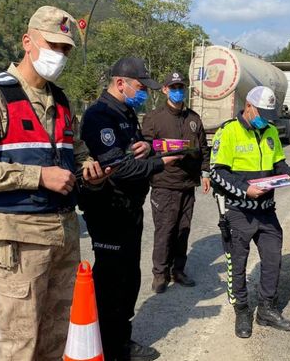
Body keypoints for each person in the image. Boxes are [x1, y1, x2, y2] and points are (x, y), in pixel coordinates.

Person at [0, 6, 110, 360]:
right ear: (28, 42)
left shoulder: (62, 101)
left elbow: (76, 153)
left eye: (66, 49)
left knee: (59, 336)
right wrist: (38, 176)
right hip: (18, 239)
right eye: (53, 44)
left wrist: (90, 170)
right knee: (21, 343)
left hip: (64, 233)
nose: (60, 55)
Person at [78, 57, 180, 361]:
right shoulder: (100, 115)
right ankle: (108, 346)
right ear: (120, 83)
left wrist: (147, 148)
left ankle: (120, 337)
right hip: (108, 208)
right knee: (112, 279)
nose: (144, 94)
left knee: (129, 277)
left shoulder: (126, 112)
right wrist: (161, 162)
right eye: (140, 87)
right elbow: (118, 169)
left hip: (129, 208)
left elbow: (133, 149)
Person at [210, 85, 290, 339]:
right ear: (249, 106)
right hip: (239, 212)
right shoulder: (228, 131)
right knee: (237, 264)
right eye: (260, 113)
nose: (264, 119)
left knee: (273, 259)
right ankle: (242, 310)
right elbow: (217, 173)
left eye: (268, 114)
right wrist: (244, 190)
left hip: (266, 211)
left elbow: (278, 163)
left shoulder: (270, 130)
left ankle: (266, 310)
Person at [141, 71, 211, 293]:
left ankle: (178, 270)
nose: (178, 91)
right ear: (165, 89)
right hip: (164, 184)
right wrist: (163, 150)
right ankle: (159, 274)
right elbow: (145, 148)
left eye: (181, 87)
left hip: (187, 184)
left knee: (183, 229)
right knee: (165, 230)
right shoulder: (154, 118)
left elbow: (204, 149)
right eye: (173, 87)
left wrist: (205, 173)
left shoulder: (193, 118)